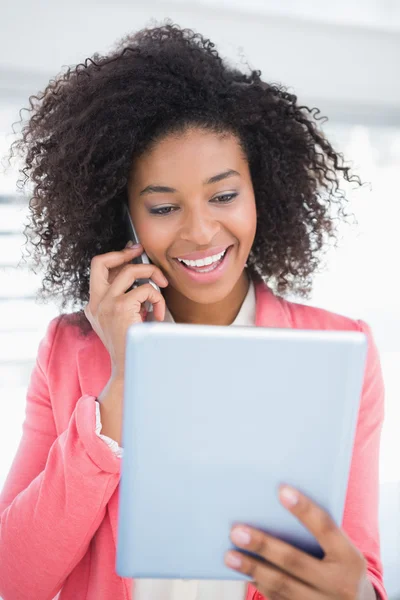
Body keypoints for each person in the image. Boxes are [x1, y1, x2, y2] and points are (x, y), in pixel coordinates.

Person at [0, 22, 386, 600]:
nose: (201, 232)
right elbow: (13, 577)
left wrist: (353, 593)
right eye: (162, 206)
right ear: (123, 215)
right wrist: (124, 383)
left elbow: (362, 577)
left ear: (263, 191)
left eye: (225, 196)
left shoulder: (342, 349)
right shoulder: (68, 350)